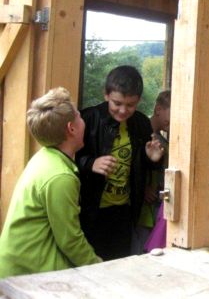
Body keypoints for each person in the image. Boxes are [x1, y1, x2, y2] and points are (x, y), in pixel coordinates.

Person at [0, 88, 101, 277]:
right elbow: (70, 240)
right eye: (79, 116)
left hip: (21, 267)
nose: (83, 120)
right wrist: (98, 267)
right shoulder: (61, 177)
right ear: (71, 128)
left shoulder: (45, 157)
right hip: (24, 275)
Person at [76, 65, 165, 260]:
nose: (123, 110)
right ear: (106, 95)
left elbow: (140, 165)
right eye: (117, 103)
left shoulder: (141, 123)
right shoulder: (89, 118)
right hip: (91, 210)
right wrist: (90, 163)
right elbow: (68, 157)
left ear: (138, 100)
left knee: (119, 263)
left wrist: (151, 159)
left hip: (125, 210)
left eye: (130, 105)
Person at [132, 90, 171, 254]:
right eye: (172, 113)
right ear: (158, 109)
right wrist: (144, 188)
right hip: (142, 204)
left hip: (156, 201)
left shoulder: (163, 139)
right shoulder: (141, 134)